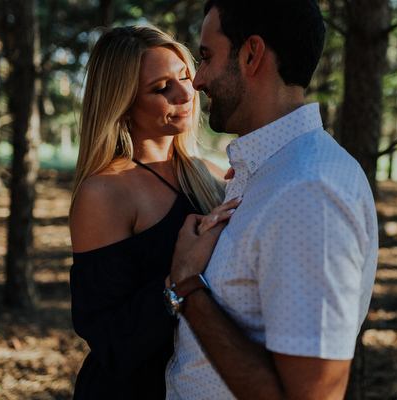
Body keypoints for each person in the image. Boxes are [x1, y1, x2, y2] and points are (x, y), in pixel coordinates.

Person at [163, 1, 379, 399]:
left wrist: (187, 286)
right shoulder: (275, 174)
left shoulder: (308, 191)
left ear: (251, 54)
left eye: (207, 58)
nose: (197, 81)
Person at [68, 25, 239, 400]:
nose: (186, 93)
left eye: (185, 76)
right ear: (122, 103)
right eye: (162, 88)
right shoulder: (104, 193)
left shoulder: (212, 174)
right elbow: (110, 339)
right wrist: (178, 280)